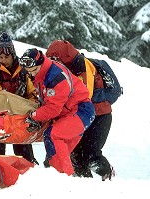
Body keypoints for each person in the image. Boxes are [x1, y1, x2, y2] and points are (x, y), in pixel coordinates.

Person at [45, 40, 116, 181]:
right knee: (75, 154)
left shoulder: (82, 67)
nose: (53, 63)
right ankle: (84, 187)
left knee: (91, 155)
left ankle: (108, 177)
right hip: (78, 115)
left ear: (64, 57)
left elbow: (84, 96)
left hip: (99, 116)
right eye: (51, 60)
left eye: (56, 59)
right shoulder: (60, 71)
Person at [19, 48, 95, 175]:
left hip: (80, 111)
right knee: (55, 156)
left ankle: (64, 179)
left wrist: (34, 116)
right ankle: (62, 177)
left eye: (34, 70)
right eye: (29, 72)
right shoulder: (43, 73)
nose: (32, 74)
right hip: (70, 112)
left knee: (53, 135)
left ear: (41, 64)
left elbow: (53, 109)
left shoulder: (55, 76)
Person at [0, 32, 38, 164]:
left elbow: (32, 93)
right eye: (0, 57)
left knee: (23, 151)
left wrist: (29, 109)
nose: (3, 60)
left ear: (13, 55)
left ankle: (28, 166)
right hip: (0, 115)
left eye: (6, 56)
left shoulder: (23, 71)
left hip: (20, 115)